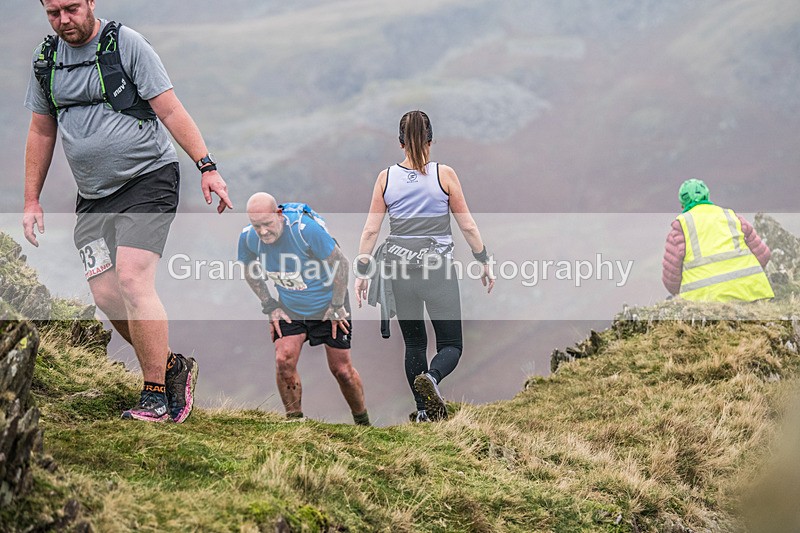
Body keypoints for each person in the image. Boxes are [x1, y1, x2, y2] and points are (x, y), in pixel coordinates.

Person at [22, 0, 233, 423]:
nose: (64, 20)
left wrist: (207, 167)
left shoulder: (127, 44)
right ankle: (172, 366)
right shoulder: (47, 60)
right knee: (106, 294)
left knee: (134, 278)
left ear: (90, 3)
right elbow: (41, 129)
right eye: (53, 13)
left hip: (148, 179)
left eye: (72, 9)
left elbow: (169, 108)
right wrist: (31, 199)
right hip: (93, 196)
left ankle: (154, 393)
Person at [354, 110, 494, 423]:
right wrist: (483, 259)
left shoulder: (386, 178)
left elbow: (370, 231)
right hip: (437, 270)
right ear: (431, 140)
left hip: (398, 270)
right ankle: (431, 378)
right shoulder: (445, 175)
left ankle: (422, 411)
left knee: (415, 343)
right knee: (451, 345)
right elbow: (467, 225)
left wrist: (362, 272)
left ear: (400, 143)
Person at [239, 193, 370, 425]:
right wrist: (269, 305)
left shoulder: (305, 230)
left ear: (278, 214)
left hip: (329, 306)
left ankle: (362, 422)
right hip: (291, 307)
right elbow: (249, 268)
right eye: (256, 225)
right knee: (283, 360)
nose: (263, 232)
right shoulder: (249, 237)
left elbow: (341, 264)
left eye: (267, 224)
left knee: (342, 370)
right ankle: (295, 422)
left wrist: (337, 305)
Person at [662, 178, 773, 302]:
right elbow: (764, 256)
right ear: (707, 196)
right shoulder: (733, 217)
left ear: (682, 203)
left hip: (704, 301)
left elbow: (671, 279)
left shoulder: (680, 228)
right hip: (752, 295)